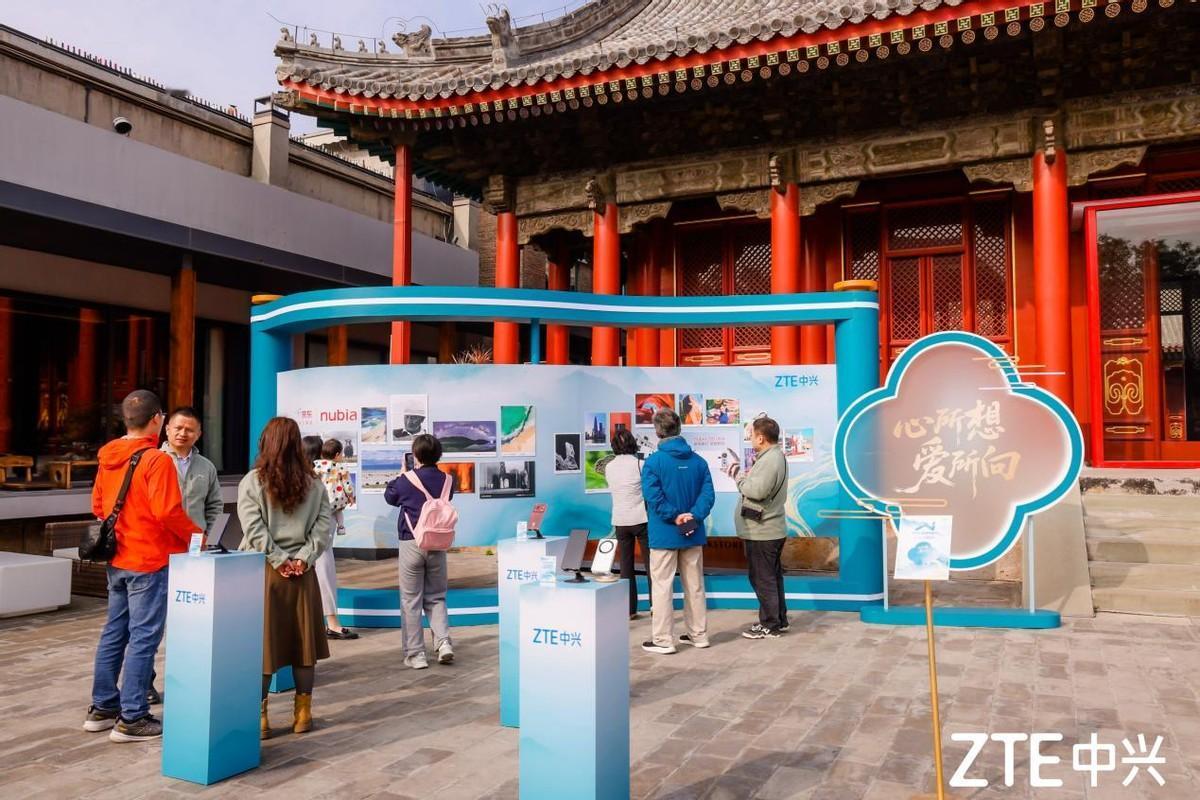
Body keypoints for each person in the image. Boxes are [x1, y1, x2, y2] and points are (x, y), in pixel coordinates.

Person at [84, 390, 199, 742]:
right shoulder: (156, 460)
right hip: (149, 558)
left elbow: (98, 506)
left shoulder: (108, 456)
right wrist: (197, 535)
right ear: (157, 419)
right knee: (144, 637)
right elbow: (167, 512)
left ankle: (103, 707)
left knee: (114, 632)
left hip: (117, 557)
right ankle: (132, 717)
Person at [238, 417, 332, 739]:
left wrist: (279, 560)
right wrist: (302, 559)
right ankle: (303, 714)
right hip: (303, 575)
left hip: (264, 573)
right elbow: (323, 529)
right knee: (303, 646)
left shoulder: (252, 482)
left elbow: (253, 528)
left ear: (266, 443)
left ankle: (260, 718)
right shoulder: (314, 484)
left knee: (264, 646)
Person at [143, 406, 223, 706]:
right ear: (166, 429)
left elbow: (214, 505)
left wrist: (206, 536)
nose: (182, 433)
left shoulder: (206, 467)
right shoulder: (153, 460)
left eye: (189, 429)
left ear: (199, 433)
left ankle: (187, 678)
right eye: (177, 427)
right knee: (151, 623)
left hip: (193, 555)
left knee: (190, 619)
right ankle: (145, 681)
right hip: (157, 551)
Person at [640, 408, 715, 654]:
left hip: (664, 534)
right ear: (679, 427)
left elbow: (653, 497)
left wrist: (675, 516)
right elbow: (708, 495)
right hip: (693, 531)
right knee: (695, 585)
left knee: (662, 587)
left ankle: (663, 640)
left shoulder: (653, 463)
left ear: (657, 431)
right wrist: (692, 515)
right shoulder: (699, 462)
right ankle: (699, 635)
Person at [384, 433, 455, 670]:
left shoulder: (406, 480)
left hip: (411, 543)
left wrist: (401, 475)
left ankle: (416, 655)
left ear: (415, 455)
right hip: (438, 543)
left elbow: (390, 497)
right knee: (437, 597)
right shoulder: (448, 480)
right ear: (439, 455)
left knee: (411, 600)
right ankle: (443, 643)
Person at [727, 415, 789, 639]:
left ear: (761, 438)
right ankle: (778, 619)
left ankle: (770, 624)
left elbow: (757, 491)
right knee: (771, 577)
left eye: (752, 435)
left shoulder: (770, 459)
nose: (750, 438)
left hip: (763, 531)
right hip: (768, 529)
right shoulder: (773, 457)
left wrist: (738, 477)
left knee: (763, 579)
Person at [311, 438, 358, 640]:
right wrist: (351, 497)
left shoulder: (313, 468)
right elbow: (347, 486)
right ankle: (332, 623)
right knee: (325, 566)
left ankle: (325, 622)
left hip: (314, 515)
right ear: (337, 454)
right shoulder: (339, 468)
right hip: (328, 514)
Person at [606, 428, 651, 619]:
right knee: (651, 565)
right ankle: (656, 607)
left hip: (620, 521)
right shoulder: (641, 464)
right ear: (633, 443)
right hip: (641, 519)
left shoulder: (609, 467)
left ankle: (629, 610)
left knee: (625, 567)